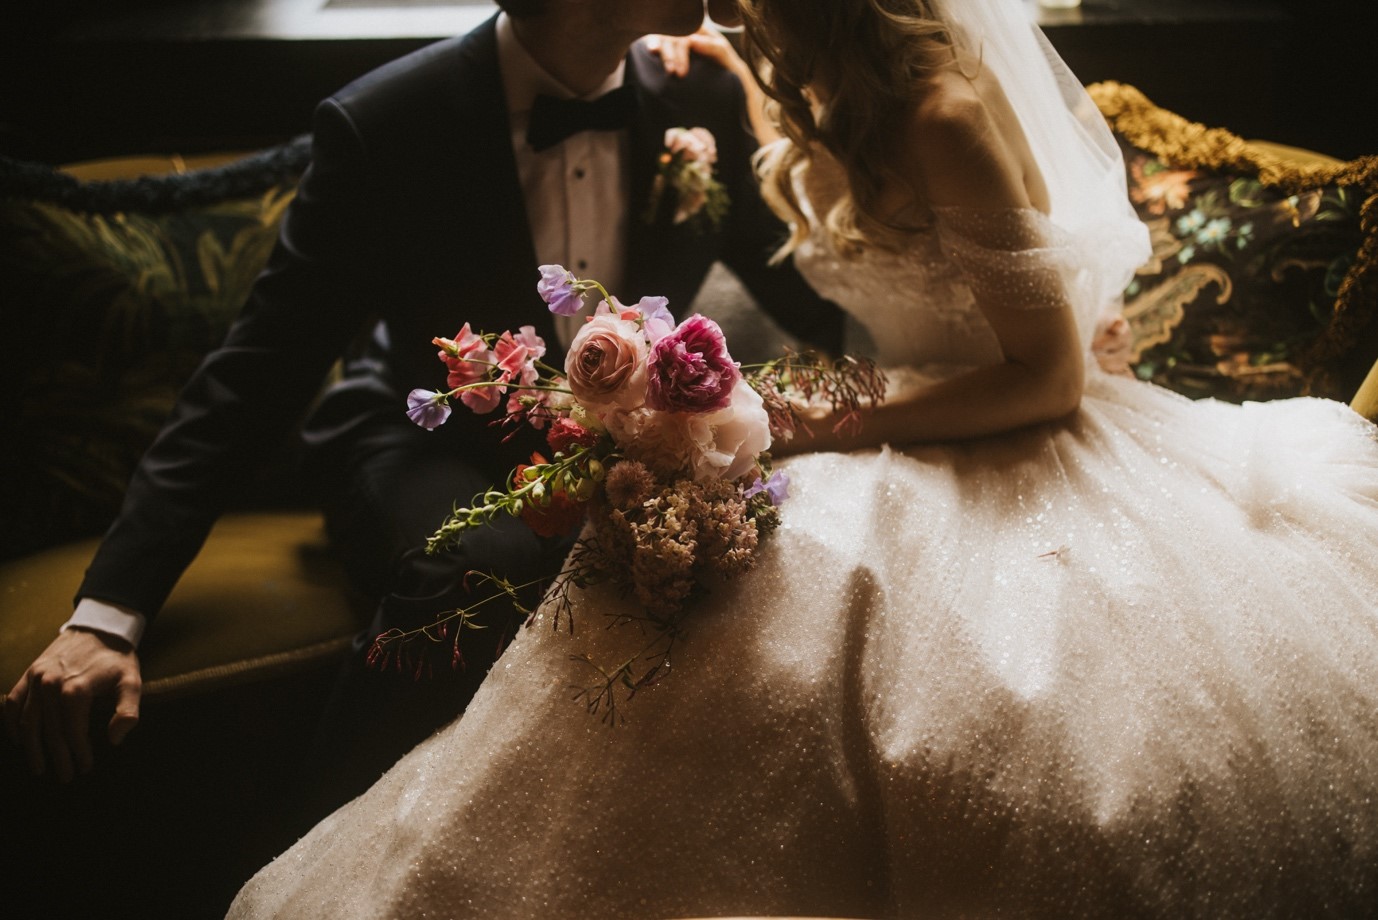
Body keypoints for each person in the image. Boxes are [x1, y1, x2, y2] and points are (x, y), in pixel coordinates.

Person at [227, 0, 1378, 917]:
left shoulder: (943, 114)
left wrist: (830, 419)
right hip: (882, 420)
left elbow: (1049, 374)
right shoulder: (768, 85)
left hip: (1006, 435)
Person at [3, 0, 845, 791]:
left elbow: (810, 291)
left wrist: (933, 361)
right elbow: (257, 371)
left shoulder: (698, 93)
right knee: (491, 566)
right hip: (416, 433)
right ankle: (322, 857)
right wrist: (110, 613)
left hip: (605, 454)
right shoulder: (388, 124)